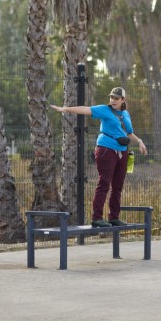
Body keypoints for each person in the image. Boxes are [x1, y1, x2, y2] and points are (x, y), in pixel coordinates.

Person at [50, 87, 147, 227]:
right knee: (104, 184)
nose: (113, 100)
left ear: (123, 100)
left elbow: (129, 133)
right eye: (111, 97)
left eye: (116, 98)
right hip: (106, 150)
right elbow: (85, 109)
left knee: (117, 186)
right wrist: (64, 109)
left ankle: (114, 217)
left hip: (123, 151)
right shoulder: (104, 110)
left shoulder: (126, 114)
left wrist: (139, 141)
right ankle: (97, 218)